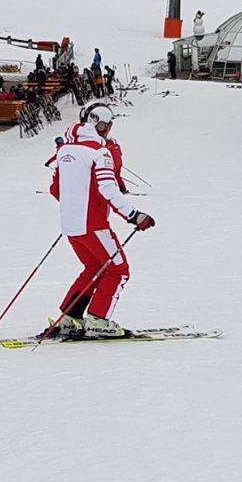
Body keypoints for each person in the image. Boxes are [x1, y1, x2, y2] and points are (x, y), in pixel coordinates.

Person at [47, 102, 155, 337]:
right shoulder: (99, 152)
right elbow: (109, 189)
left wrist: (76, 206)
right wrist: (134, 216)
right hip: (94, 225)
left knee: (94, 268)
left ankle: (69, 318)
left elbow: (55, 189)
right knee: (119, 270)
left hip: (71, 226)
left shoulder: (64, 150)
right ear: (102, 126)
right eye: (107, 126)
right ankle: (98, 319)